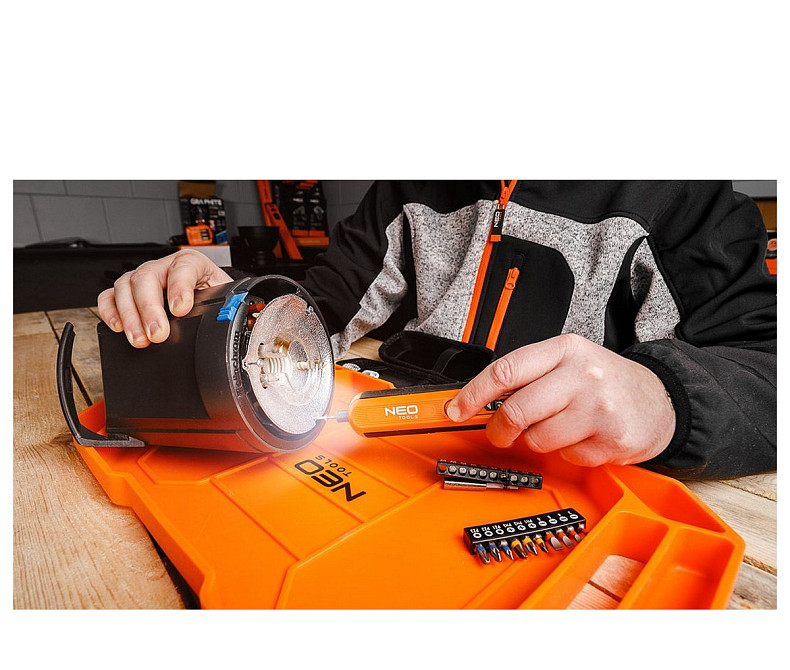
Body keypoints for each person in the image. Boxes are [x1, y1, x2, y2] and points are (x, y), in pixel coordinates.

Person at [96, 180, 776, 480]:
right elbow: (320, 308)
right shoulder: (411, 183)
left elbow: (768, 370)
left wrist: (665, 400)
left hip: (575, 483)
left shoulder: (689, 199)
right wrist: (233, 305)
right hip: (397, 456)